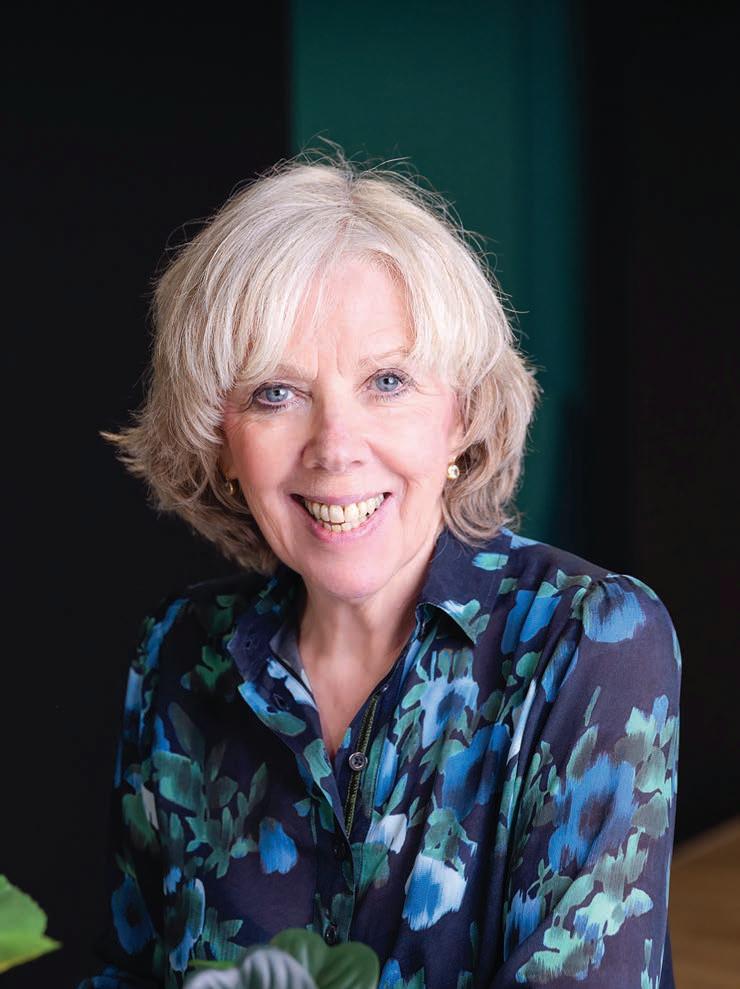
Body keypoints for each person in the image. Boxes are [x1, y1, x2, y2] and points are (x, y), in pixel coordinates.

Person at [79, 151, 681, 989]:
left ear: (463, 415)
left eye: (387, 381)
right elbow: (128, 971)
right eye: (275, 392)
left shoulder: (593, 643)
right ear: (219, 441)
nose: (334, 447)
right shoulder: (177, 654)